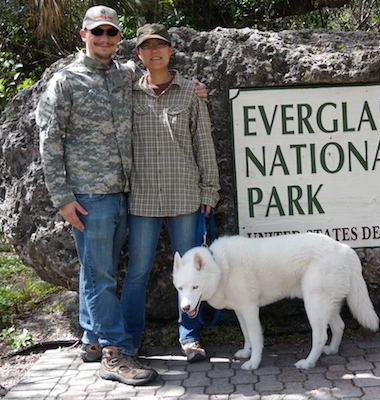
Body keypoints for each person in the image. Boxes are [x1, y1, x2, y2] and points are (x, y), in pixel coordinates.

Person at [36, 6, 207, 385]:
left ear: (118, 39)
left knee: (97, 271)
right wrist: (62, 198)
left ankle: (92, 339)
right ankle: (116, 353)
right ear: (83, 35)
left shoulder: (123, 74)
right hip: (88, 195)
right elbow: (49, 142)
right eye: (97, 33)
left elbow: (158, 75)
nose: (104, 40)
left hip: (122, 193)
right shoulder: (65, 82)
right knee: (101, 275)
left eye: (111, 34)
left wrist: (193, 88)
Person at [120, 23, 220, 363]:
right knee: (137, 272)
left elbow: (204, 145)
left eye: (160, 45)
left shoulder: (191, 93)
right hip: (143, 198)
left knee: (192, 272)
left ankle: (190, 338)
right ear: (139, 54)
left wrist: (210, 190)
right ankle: (130, 339)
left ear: (170, 51)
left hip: (184, 196)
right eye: (147, 46)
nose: (154, 51)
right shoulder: (129, 93)